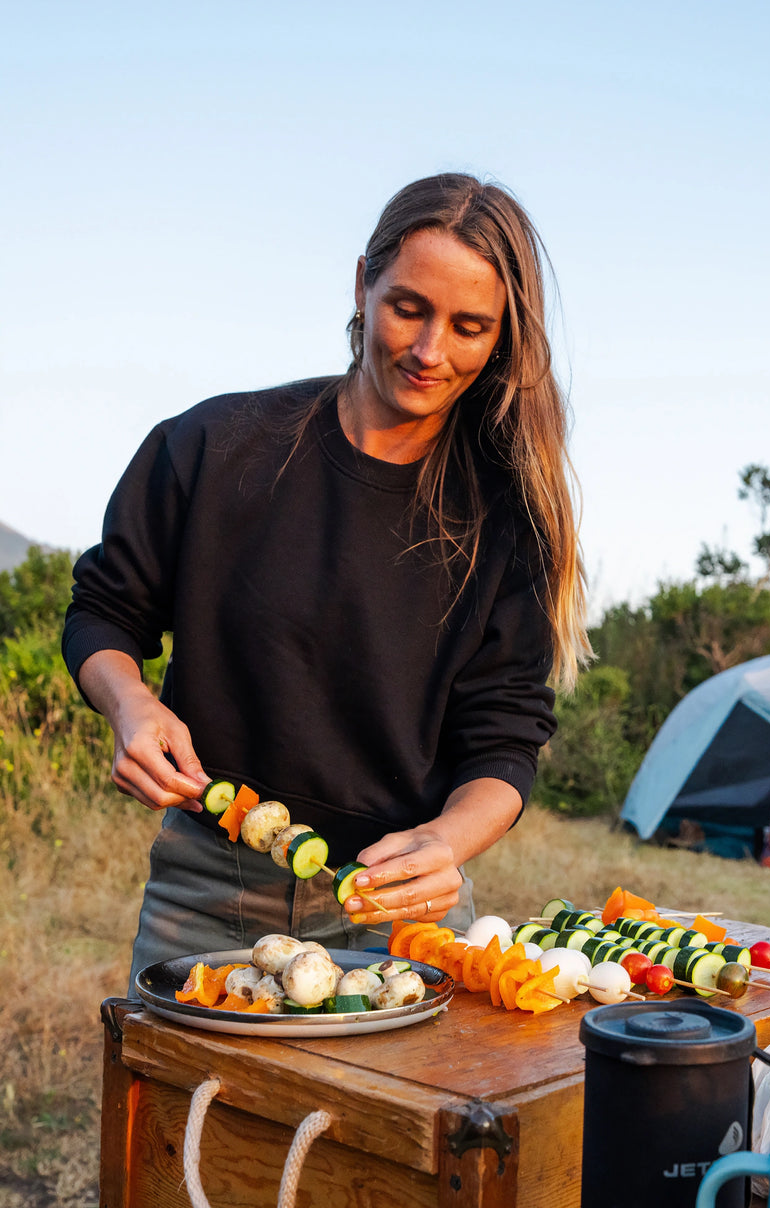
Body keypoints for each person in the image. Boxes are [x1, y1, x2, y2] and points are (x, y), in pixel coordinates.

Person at [62, 172, 591, 991]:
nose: (430, 351)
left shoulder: (509, 518)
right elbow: (104, 610)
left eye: (469, 326)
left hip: (404, 911)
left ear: (502, 339)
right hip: (209, 892)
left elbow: (506, 734)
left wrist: (448, 840)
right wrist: (130, 703)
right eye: (408, 307)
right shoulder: (214, 446)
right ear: (362, 284)